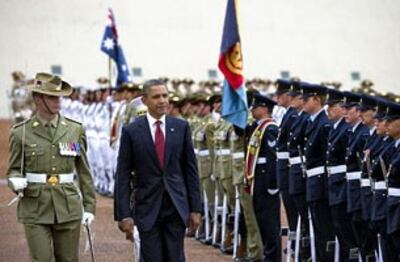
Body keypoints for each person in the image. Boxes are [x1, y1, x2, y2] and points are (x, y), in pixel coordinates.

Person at [6, 72, 96, 262]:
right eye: (52, 97)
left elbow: (84, 171)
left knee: (69, 259)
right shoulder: (21, 132)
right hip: (35, 205)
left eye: (59, 97)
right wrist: (15, 180)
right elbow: (14, 169)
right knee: (41, 258)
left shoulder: (74, 129)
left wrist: (89, 207)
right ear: (38, 99)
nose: (58, 101)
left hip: (68, 205)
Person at [114, 79, 202, 262]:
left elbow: (190, 171)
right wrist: (123, 214)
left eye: (165, 95)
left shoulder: (181, 127)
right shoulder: (132, 131)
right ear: (144, 100)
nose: (162, 100)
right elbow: (122, 175)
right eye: (156, 97)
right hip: (147, 207)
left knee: (175, 257)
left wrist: (196, 209)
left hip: (176, 206)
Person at [244, 93, 281, 262]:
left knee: (269, 222)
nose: (252, 110)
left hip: (266, 181)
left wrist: (272, 184)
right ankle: (268, 254)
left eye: (255, 107)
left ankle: (272, 257)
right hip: (258, 178)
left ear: (265, 108)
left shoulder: (270, 128)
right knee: (261, 220)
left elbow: (273, 158)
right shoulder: (258, 127)